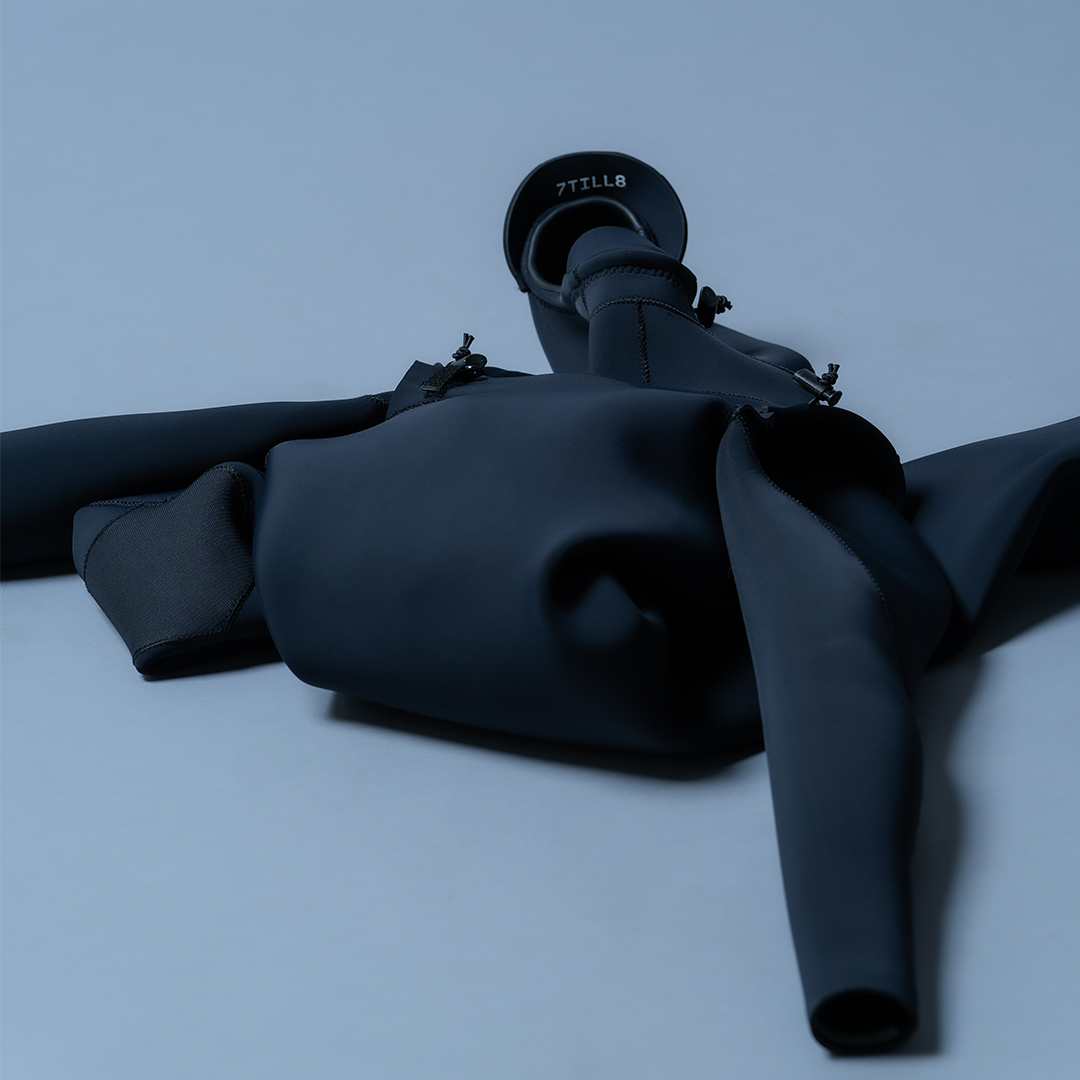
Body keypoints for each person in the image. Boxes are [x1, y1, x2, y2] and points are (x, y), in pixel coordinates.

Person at [2, 152, 1077, 1054]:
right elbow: (834, 663)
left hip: (387, 540)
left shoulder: (432, 439)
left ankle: (604, 264)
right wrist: (856, 959)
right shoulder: (766, 484)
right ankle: (607, 264)